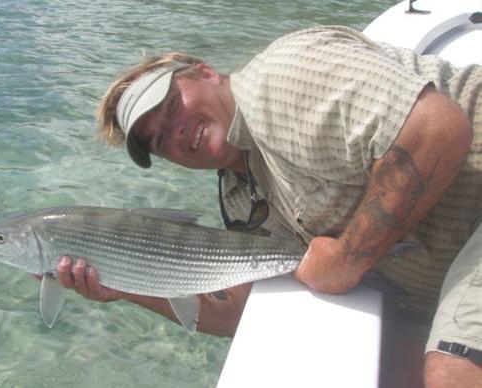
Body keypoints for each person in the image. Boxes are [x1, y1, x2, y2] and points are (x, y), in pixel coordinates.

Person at [57, 26, 481, 387]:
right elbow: (236, 311)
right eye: (161, 141)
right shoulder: (240, 197)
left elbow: (438, 128)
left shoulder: (280, 80)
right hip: (439, 274)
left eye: (171, 106)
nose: (177, 131)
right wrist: (125, 283)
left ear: (204, 72)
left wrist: (350, 257)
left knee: (449, 372)